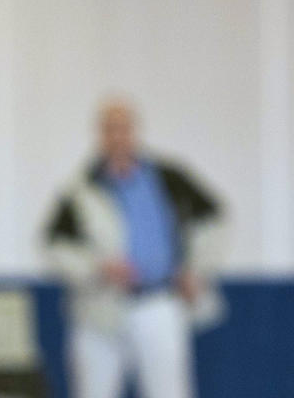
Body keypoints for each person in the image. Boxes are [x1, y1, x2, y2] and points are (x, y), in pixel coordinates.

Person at [43, 97, 225, 398]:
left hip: (159, 301)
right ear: (99, 134)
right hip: (100, 309)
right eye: (110, 129)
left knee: (169, 390)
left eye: (124, 128)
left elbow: (214, 220)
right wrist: (96, 267)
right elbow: (54, 245)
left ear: (135, 131)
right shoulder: (80, 189)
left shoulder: (168, 178)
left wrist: (196, 269)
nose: (118, 136)